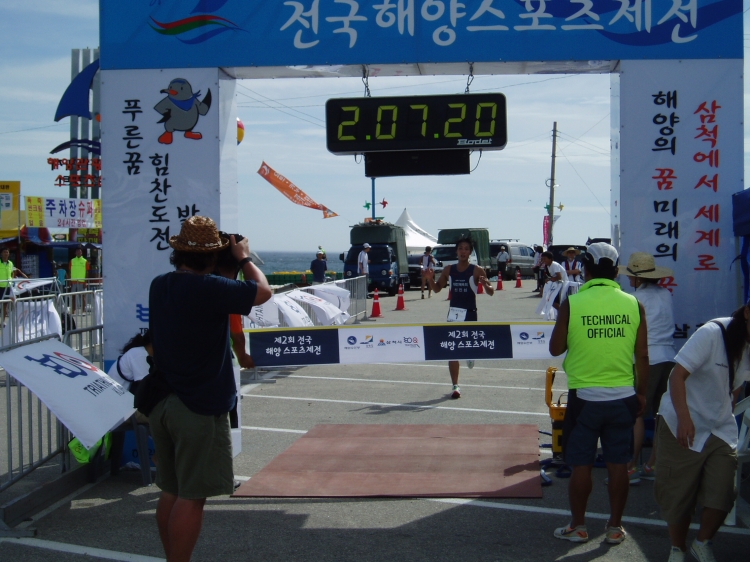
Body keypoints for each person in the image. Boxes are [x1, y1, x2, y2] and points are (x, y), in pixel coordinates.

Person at [148, 216, 272, 562]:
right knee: (192, 496)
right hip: (197, 407)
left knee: (171, 490)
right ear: (212, 257)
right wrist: (243, 257)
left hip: (163, 401)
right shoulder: (209, 288)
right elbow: (263, 291)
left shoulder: (161, 284)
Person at [549, 243, 648, 546]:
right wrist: (642, 393)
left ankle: (578, 526)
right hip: (623, 395)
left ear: (586, 269)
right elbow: (643, 355)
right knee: (619, 464)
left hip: (585, 397)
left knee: (581, 464)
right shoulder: (634, 304)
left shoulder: (573, 302)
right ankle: (615, 527)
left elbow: (555, 348)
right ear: (617, 271)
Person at [654, 304, 750, 562]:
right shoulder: (712, 333)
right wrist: (684, 418)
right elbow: (677, 376)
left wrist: (728, 407)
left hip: (719, 427)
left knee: (724, 492)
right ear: (747, 312)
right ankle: (677, 548)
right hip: (682, 420)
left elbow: (736, 385)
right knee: (678, 495)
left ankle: (702, 542)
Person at [620, 252, 676, 485]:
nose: (628, 278)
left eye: (630, 275)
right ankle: (653, 464)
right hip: (669, 357)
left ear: (638, 278)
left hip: (647, 359)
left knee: (636, 414)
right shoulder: (665, 294)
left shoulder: (635, 299)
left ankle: (630, 467)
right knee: (663, 414)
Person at [424, 237, 494, 399]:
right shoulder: (449, 270)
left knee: (469, 345)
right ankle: (455, 385)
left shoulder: (477, 270)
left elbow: (491, 292)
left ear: (470, 252)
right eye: (460, 248)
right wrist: (430, 279)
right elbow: (437, 289)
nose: (463, 251)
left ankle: (470, 353)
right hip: (454, 313)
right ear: (456, 251)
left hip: (470, 313)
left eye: (466, 249)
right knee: (453, 350)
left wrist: (485, 285)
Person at [108, 330, 154, 424]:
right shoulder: (140, 354)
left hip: (122, 406)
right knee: (166, 416)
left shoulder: (139, 352)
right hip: (119, 411)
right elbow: (147, 388)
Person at [0, 246, 28, 323]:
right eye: (4, 252)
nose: (6, 254)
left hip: (8, 287)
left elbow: (13, 273)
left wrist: (12, 279)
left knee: (5, 305)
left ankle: (2, 322)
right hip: (0, 286)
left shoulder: (10, 263)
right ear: (1, 253)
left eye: (7, 252)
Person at [69, 246, 88, 313]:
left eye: (79, 251)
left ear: (81, 252)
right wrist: (70, 281)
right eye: (77, 251)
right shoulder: (72, 261)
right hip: (74, 281)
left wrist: (85, 282)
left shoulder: (85, 261)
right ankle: (73, 311)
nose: (78, 253)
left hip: (82, 281)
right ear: (75, 253)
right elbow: (70, 271)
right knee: (73, 297)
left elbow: (87, 272)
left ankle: (83, 311)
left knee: (83, 296)